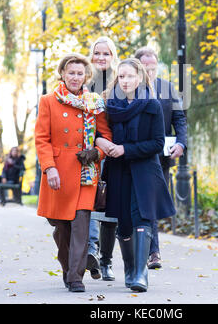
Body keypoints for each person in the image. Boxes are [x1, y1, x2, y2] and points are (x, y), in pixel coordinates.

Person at [35, 53, 112, 293]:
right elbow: (42, 139)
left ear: (86, 76)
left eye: (80, 73)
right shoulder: (48, 100)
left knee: (81, 224)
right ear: (63, 74)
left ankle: (76, 277)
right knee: (62, 229)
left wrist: (96, 154)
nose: (75, 77)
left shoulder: (94, 103)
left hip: (84, 174)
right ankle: (68, 268)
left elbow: (105, 137)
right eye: (71, 72)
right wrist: (50, 168)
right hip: (58, 173)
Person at [101, 58, 176, 292]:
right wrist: (103, 142)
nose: (125, 81)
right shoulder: (110, 105)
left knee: (142, 217)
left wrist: (125, 149)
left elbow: (157, 143)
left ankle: (141, 273)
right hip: (118, 171)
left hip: (144, 171)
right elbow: (98, 131)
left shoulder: (151, 105)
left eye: (130, 76)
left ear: (140, 77)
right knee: (123, 223)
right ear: (117, 79)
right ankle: (130, 269)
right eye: (121, 77)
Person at [134, 46, 187, 269]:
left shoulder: (168, 89)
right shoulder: (126, 88)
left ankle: (153, 252)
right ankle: (135, 248)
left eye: (152, 68)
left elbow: (180, 120)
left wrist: (181, 143)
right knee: (136, 204)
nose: (149, 71)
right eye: (145, 68)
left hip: (161, 157)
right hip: (134, 156)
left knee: (152, 203)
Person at [86, 36, 119, 282]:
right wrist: (98, 141)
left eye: (106, 53)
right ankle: (91, 252)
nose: (101, 57)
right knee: (87, 203)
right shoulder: (84, 81)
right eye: (97, 53)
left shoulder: (121, 81)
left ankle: (106, 261)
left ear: (113, 56)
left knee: (109, 208)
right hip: (89, 152)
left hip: (115, 150)